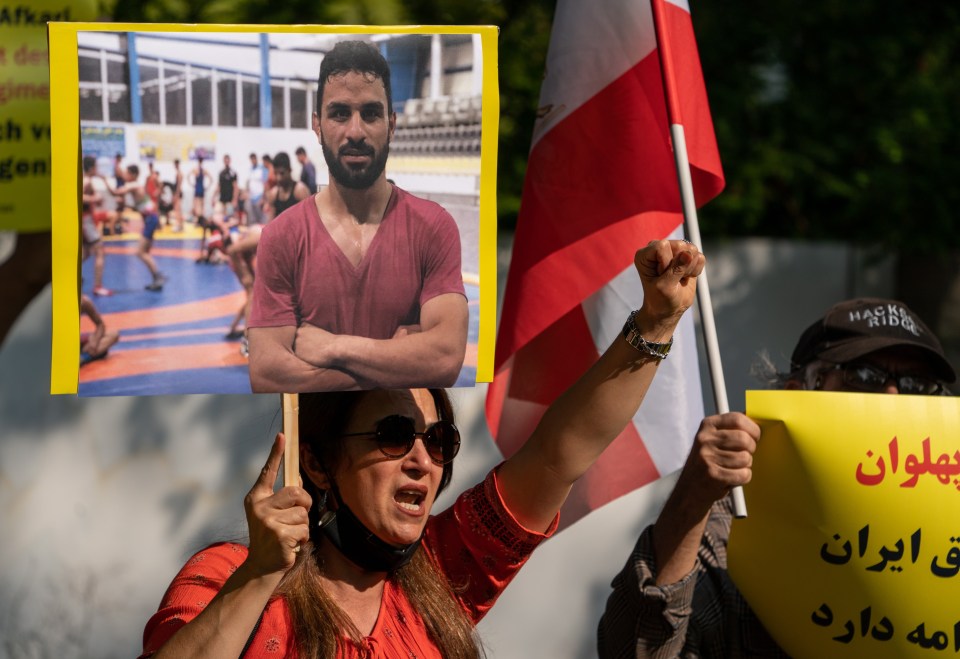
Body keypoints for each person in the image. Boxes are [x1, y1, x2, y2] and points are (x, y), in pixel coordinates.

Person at [139, 239, 704, 658]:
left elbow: (561, 452)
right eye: (392, 435)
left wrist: (654, 325)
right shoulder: (227, 573)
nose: (423, 460)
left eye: (438, 440)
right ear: (315, 460)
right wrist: (260, 577)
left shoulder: (441, 572)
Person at [597, 297, 957, 658]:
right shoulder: (729, 531)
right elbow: (632, 652)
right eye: (863, 377)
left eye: (917, 386)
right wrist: (690, 503)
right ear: (800, 395)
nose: (893, 399)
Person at [247, 40, 468, 393]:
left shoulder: (434, 227)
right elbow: (266, 372)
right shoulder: (282, 236)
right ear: (317, 125)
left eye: (370, 113)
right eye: (339, 114)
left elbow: (444, 359)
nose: (355, 131)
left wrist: (334, 348)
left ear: (391, 124)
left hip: (406, 437)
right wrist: (397, 358)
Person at [226, 152, 311, 352]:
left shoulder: (300, 191)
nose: (279, 179)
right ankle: (251, 339)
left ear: (290, 171)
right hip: (278, 252)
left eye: (282, 174)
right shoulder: (273, 194)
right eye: (277, 174)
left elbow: (309, 226)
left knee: (259, 294)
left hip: (294, 252)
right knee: (253, 292)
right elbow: (270, 229)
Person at [115, 164, 167, 291]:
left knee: (140, 252)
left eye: (126, 173)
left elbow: (116, 192)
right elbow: (139, 206)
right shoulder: (137, 186)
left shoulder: (133, 185)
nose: (124, 175)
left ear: (132, 175)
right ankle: (157, 278)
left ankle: (158, 277)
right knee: (145, 252)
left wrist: (103, 180)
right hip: (151, 219)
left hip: (150, 220)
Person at [81, 156, 114, 297]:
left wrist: (95, 199)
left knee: (87, 252)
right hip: (85, 221)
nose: (98, 170)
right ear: (91, 168)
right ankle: (98, 287)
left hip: (85, 220)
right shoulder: (86, 181)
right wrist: (95, 198)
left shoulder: (88, 181)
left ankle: (65, 277)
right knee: (100, 251)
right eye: (96, 166)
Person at [80, 293, 119, 364]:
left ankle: (84, 357)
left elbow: (100, 324)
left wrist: (95, 341)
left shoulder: (84, 302)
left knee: (113, 334)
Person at [213, 153, 239, 220]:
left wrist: (235, 200)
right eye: (225, 161)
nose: (226, 162)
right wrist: (213, 197)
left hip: (229, 200)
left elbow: (235, 187)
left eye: (228, 161)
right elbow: (219, 186)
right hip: (222, 199)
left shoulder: (233, 173)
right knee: (217, 214)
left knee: (229, 217)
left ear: (230, 161)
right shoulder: (221, 173)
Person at [245, 153, 267, 226]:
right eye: (251, 159)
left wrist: (263, 198)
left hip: (259, 197)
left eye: (254, 159)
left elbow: (265, 183)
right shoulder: (250, 170)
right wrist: (246, 192)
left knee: (261, 219)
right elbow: (248, 182)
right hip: (251, 197)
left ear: (256, 159)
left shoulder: (262, 169)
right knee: (252, 219)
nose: (253, 160)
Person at [189, 156, 213, 224]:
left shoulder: (196, 170)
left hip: (198, 188)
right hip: (200, 188)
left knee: (198, 205)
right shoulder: (202, 170)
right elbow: (211, 179)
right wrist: (207, 187)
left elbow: (188, 176)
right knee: (199, 205)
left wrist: (192, 184)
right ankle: (198, 220)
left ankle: (199, 220)